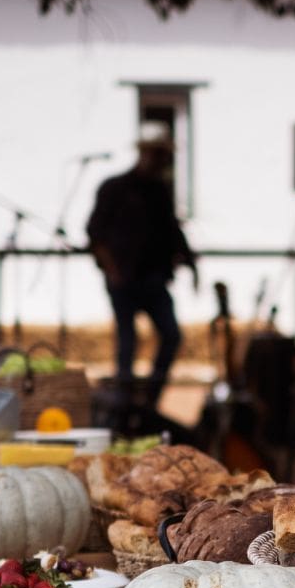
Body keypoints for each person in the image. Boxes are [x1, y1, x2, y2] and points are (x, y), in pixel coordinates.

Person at [86, 122, 198, 405]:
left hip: (154, 279)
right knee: (127, 342)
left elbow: (172, 231)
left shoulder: (159, 191)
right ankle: (124, 402)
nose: (161, 161)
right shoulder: (115, 188)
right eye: (157, 154)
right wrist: (112, 271)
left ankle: (150, 397)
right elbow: (95, 234)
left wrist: (190, 264)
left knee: (170, 334)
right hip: (124, 280)